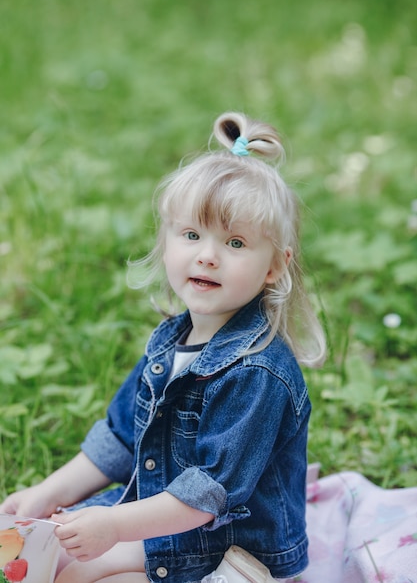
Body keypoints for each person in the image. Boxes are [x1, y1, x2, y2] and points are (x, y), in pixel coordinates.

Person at [0, 112, 326, 583]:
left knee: (80, 575)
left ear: (275, 266)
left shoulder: (258, 374)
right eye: (192, 235)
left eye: (234, 242)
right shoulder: (170, 342)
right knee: (52, 554)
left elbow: (208, 493)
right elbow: (118, 437)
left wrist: (113, 526)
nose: (207, 254)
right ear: (168, 241)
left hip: (231, 542)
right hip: (163, 513)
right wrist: (47, 493)